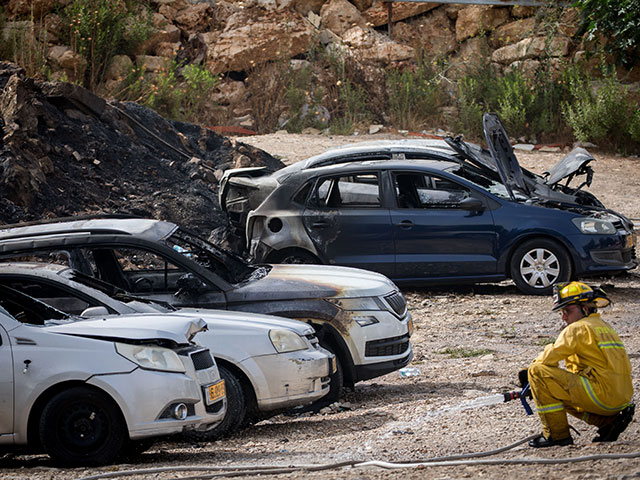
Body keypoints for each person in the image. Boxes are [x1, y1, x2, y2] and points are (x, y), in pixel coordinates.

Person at [526, 281, 634, 448]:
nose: (563, 317)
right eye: (562, 312)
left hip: (601, 396)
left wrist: (528, 378)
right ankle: (608, 422)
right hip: (622, 398)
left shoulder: (578, 328)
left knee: (536, 372)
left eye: (567, 310)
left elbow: (547, 359)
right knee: (556, 388)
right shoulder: (605, 327)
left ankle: (557, 435)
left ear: (585, 308)